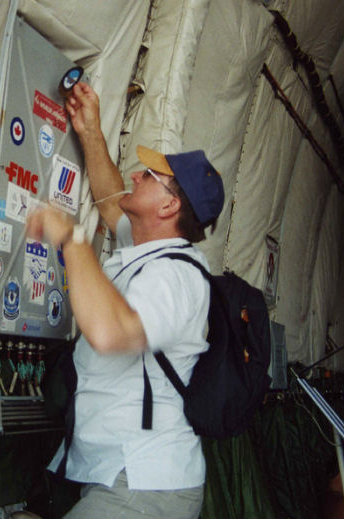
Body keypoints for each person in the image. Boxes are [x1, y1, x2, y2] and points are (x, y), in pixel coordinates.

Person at [26, 82, 224, 519]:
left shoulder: (176, 277)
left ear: (170, 205)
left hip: (144, 485)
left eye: (149, 176)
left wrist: (72, 240)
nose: (136, 173)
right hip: (119, 474)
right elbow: (112, 201)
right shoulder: (150, 246)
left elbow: (112, 332)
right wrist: (90, 131)